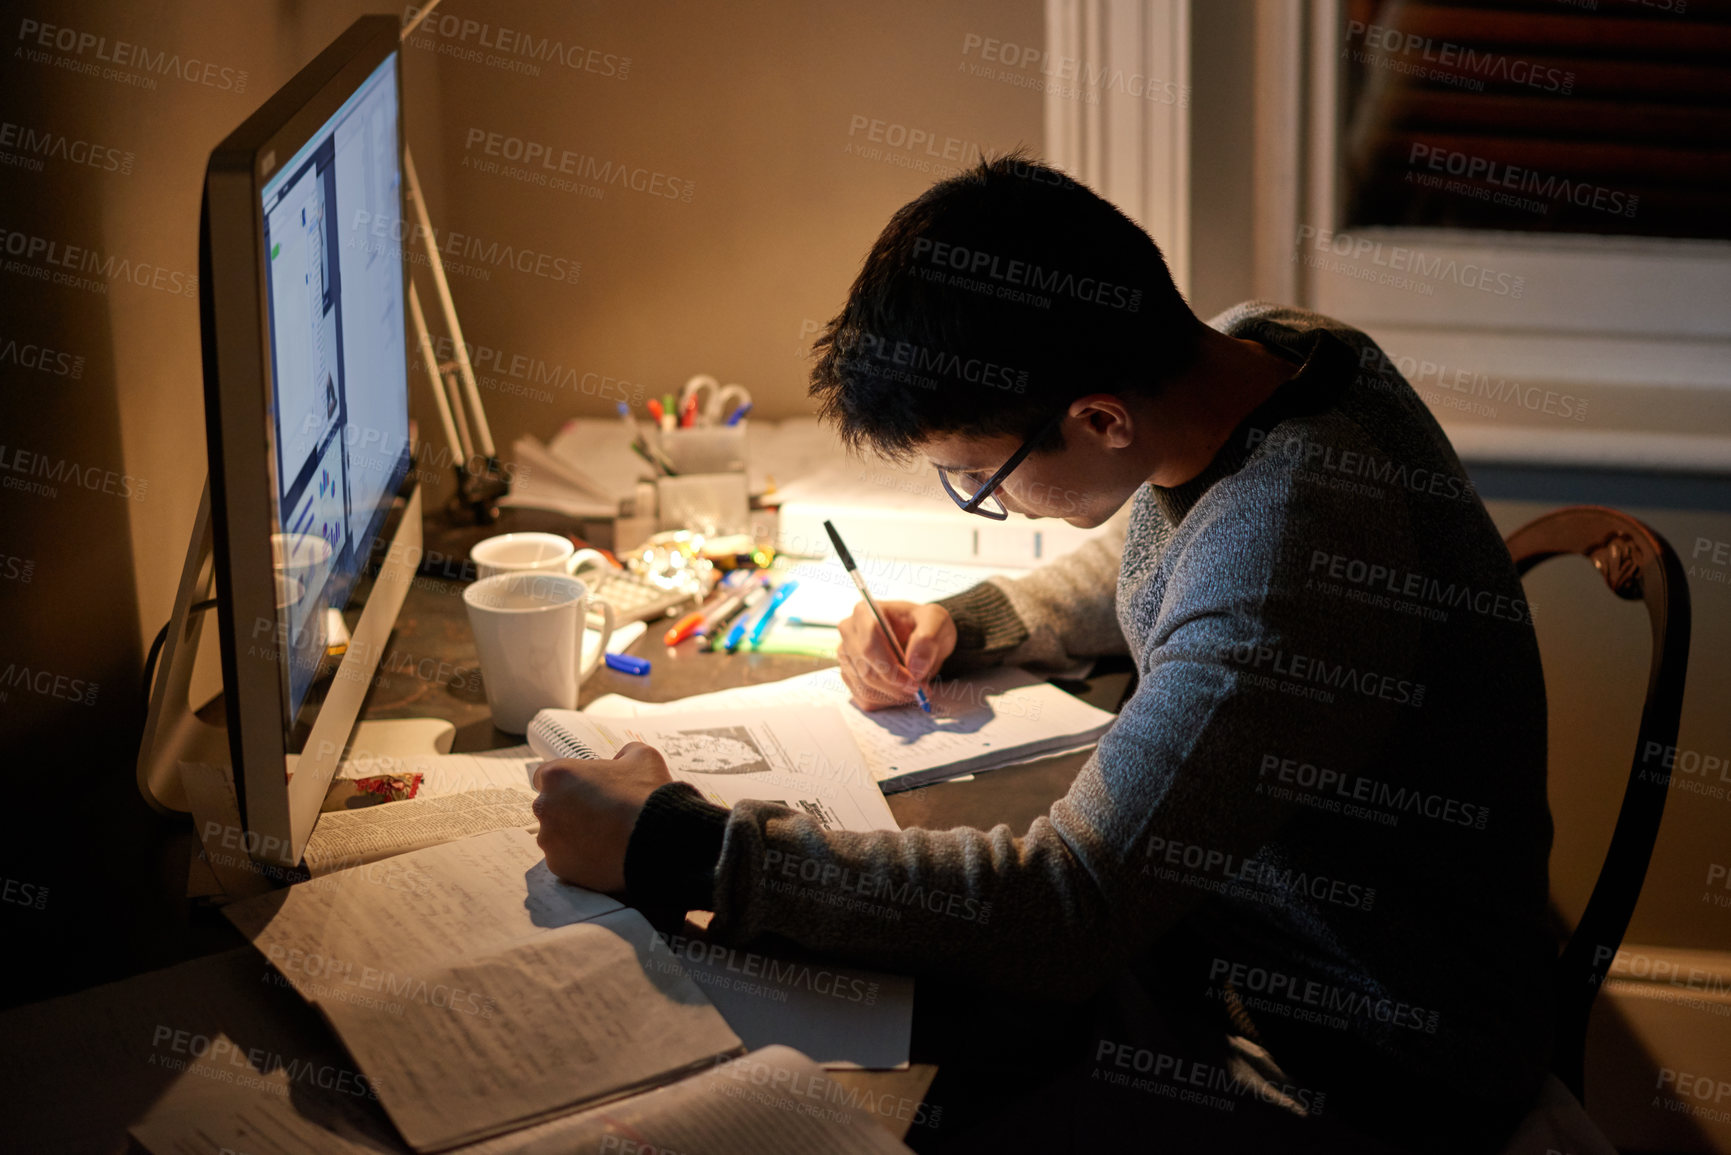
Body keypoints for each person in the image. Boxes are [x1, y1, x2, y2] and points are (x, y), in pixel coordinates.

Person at [531, 153, 1555, 1153]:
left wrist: (680, 845)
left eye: (979, 478)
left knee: (874, 1084)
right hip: (1240, 940)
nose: (986, 503)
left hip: (1352, 1058)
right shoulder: (1263, 350)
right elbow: (1164, 544)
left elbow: (1069, 905)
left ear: (1099, 417)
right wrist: (974, 621)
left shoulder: (1287, 563)